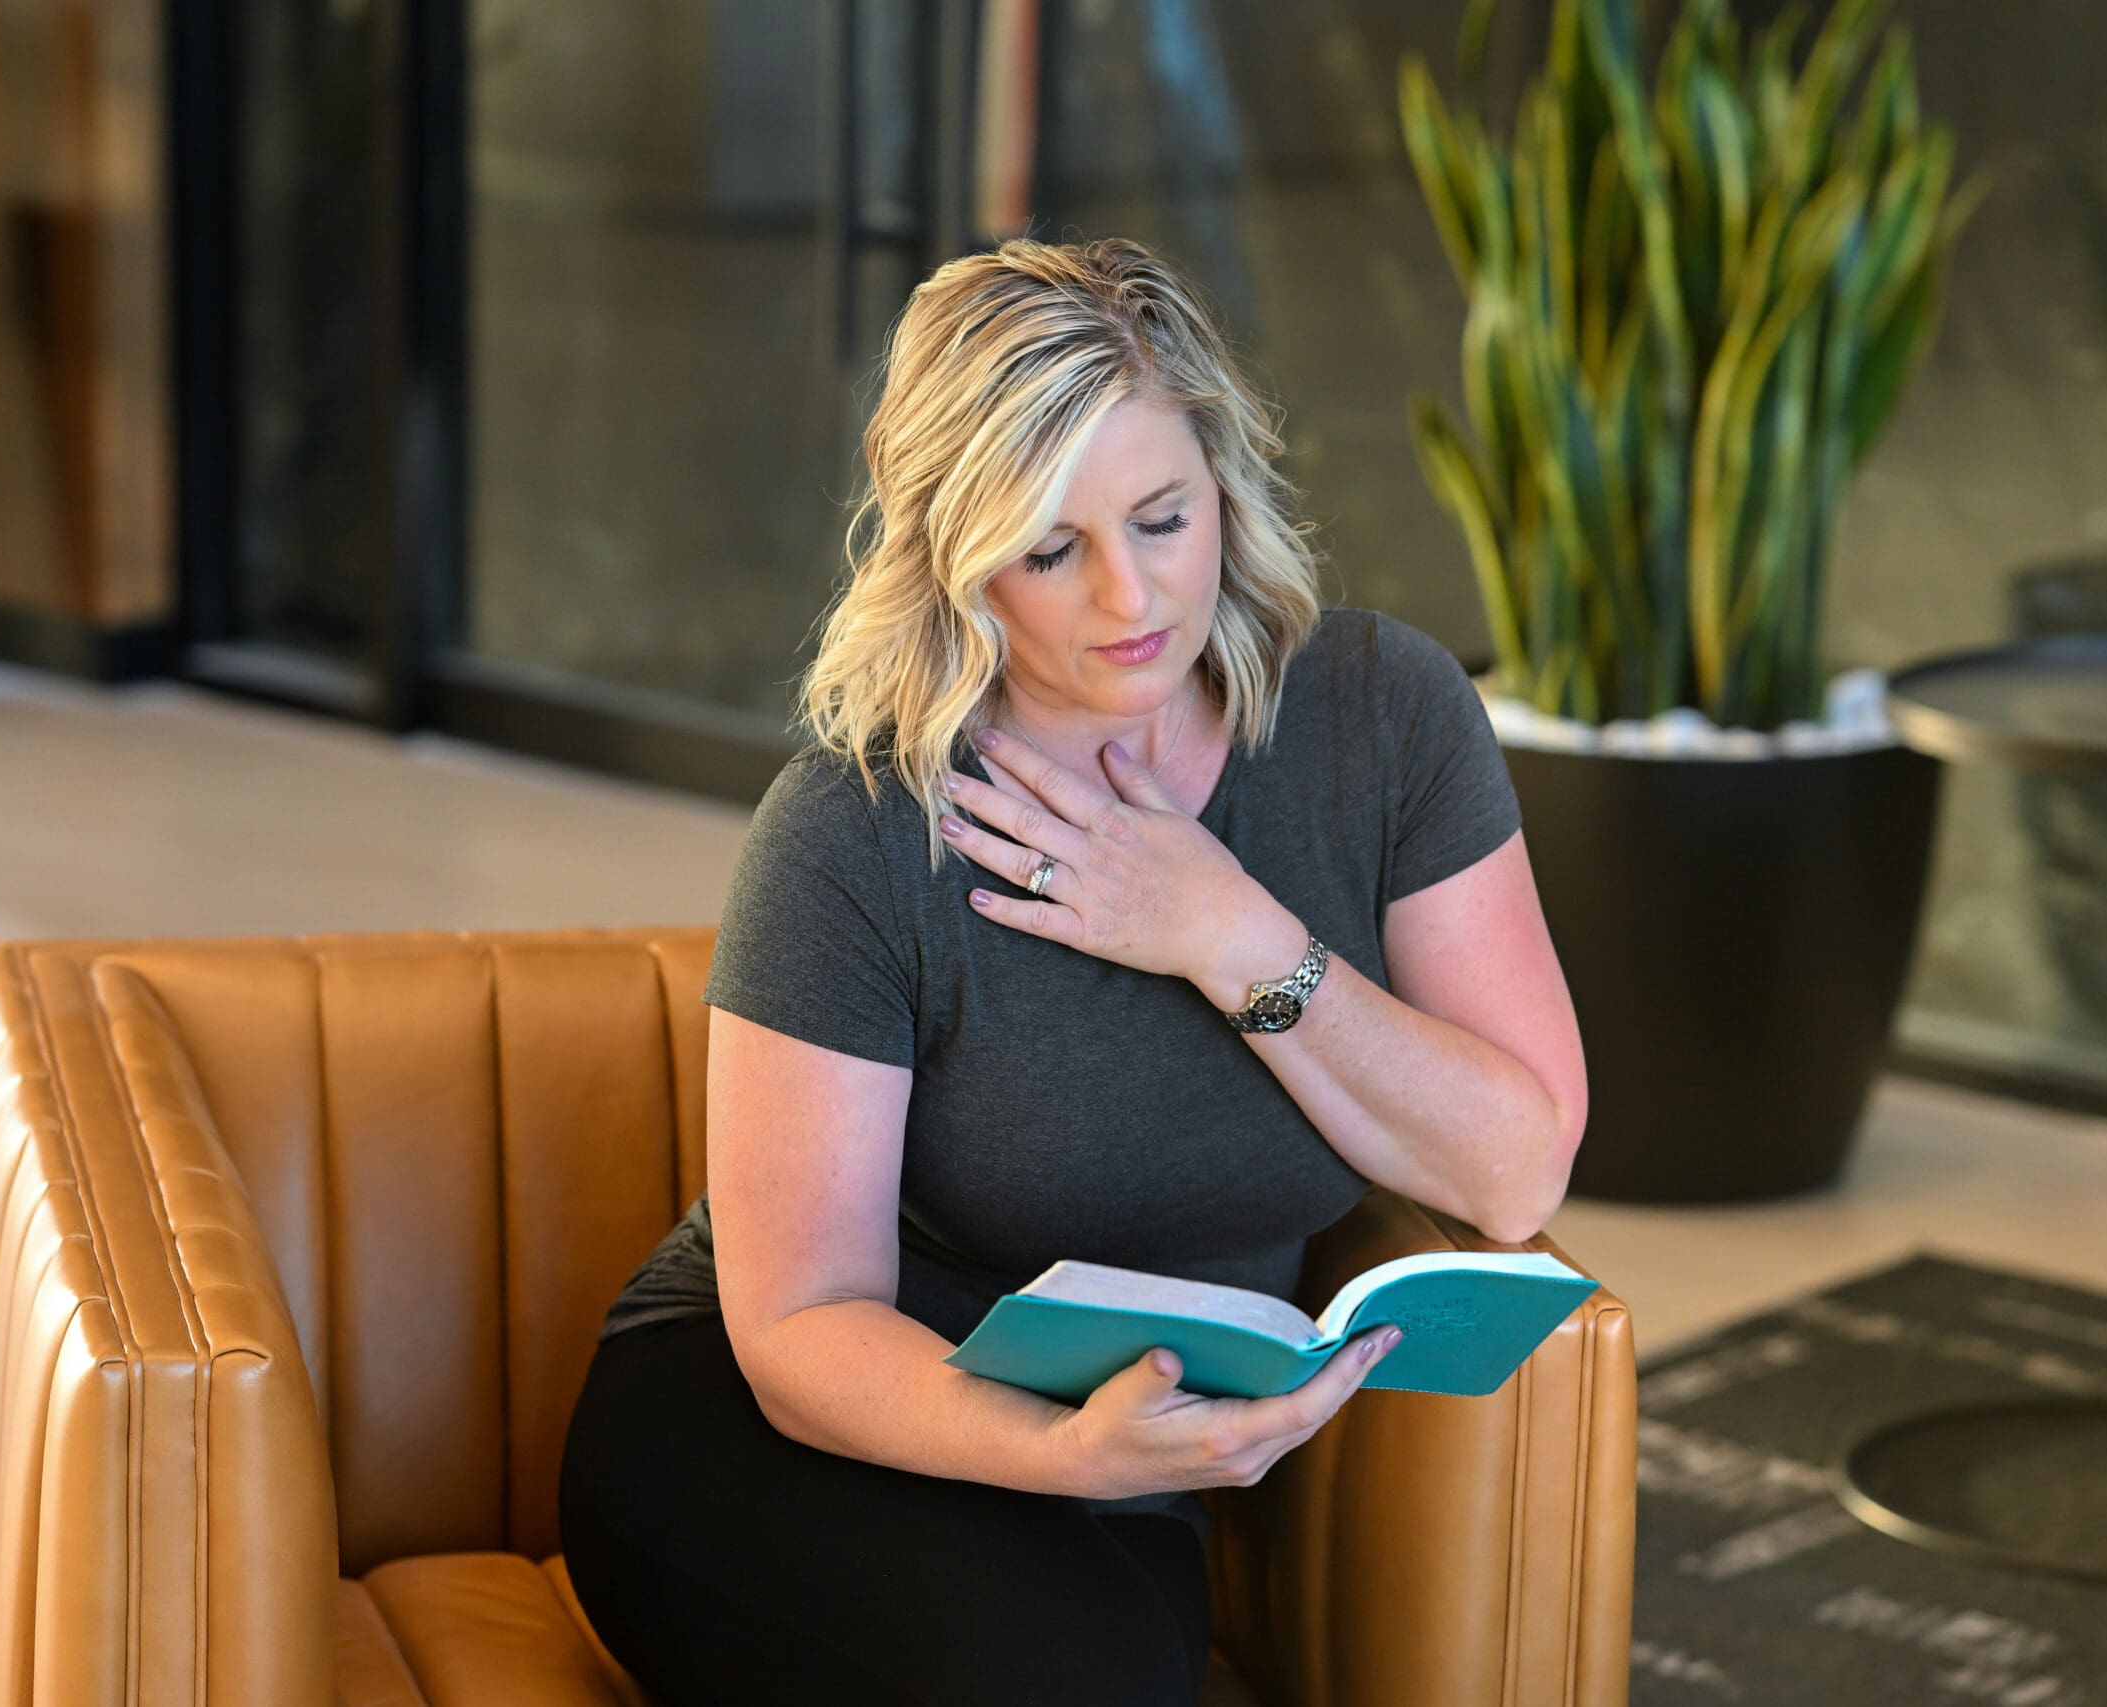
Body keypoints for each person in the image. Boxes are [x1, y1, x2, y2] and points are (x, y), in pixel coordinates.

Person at [556, 236, 1587, 1706]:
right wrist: (1059, 1449)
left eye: (1163, 518)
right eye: (1052, 550)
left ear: (1221, 480)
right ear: (958, 562)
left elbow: (1514, 1174)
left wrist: (1228, 932)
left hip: (1113, 1476)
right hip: (787, 1430)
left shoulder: (1384, 720)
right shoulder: (859, 829)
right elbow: (797, 1327)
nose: (1129, 599)